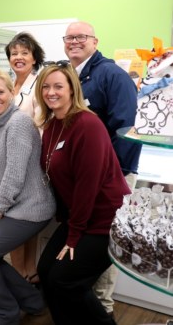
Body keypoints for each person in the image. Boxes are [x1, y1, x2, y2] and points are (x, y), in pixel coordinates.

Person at [35, 62, 128, 325]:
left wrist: (73, 236)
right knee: (45, 271)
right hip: (79, 217)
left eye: (58, 86)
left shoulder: (88, 124)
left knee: (65, 281)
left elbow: (88, 185)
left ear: (72, 89)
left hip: (104, 221)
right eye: (46, 87)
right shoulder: (52, 125)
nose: (51, 92)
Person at [63, 21, 141, 316]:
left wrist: (112, 174)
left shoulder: (112, 75)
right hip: (84, 177)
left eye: (81, 37)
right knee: (89, 238)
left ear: (95, 41)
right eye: (69, 38)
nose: (74, 42)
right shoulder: (73, 75)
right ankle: (85, 304)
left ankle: (103, 308)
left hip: (111, 177)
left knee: (106, 238)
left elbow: (128, 129)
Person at [0, 71, 55, 325]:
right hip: (10, 206)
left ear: (11, 93)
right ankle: (32, 301)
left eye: (1, 92)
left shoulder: (18, 123)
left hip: (32, 208)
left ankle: (5, 315)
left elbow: (15, 173)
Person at [4, 32, 45, 285]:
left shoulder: (37, 85)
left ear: (34, 58)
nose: (18, 58)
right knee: (20, 220)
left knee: (22, 221)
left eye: (24, 53)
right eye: (14, 53)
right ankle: (27, 273)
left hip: (29, 164)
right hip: (8, 163)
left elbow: (42, 125)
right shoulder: (10, 85)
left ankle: (24, 273)